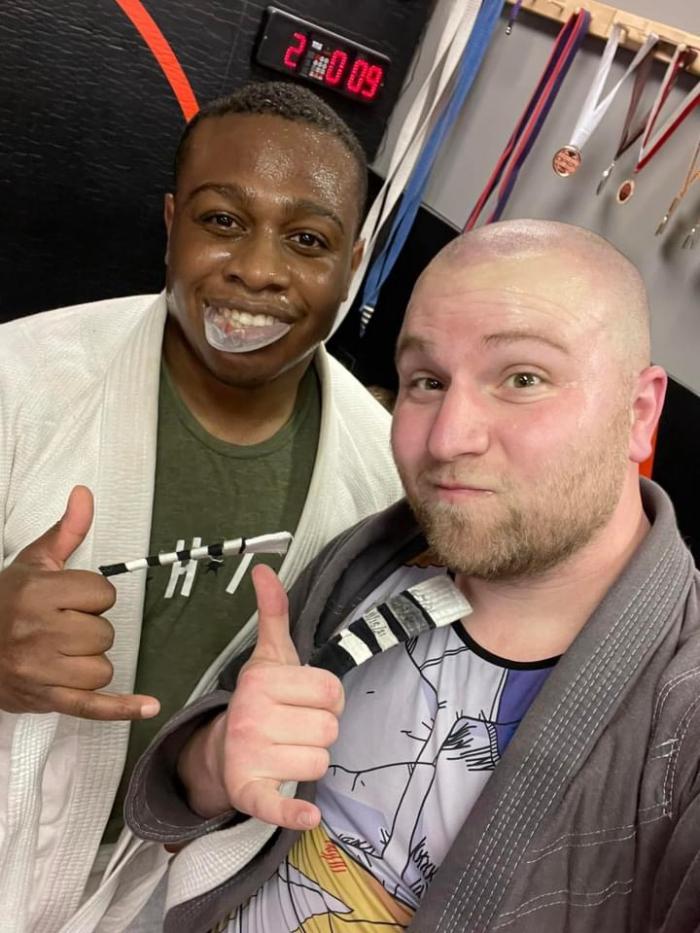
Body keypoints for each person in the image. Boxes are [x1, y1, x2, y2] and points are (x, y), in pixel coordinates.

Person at [127, 219, 700, 933]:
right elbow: (196, 798)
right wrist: (214, 759)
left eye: (522, 378)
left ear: (639, 413)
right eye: (427, 381)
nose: (448, 438)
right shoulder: (376, 560)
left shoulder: (684, 716)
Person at [0, 82, 403, 930]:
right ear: (171, 222)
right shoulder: (22, 380)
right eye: (222, 220)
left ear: (354, 264)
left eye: (307, 239)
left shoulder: (383, 484)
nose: (257, 269)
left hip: (174, 897)